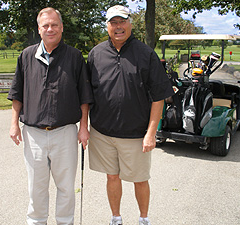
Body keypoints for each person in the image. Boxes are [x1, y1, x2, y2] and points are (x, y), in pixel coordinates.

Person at [87, 5, 174, 225]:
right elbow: (86, 94)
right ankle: (116, 218)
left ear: (130, 24)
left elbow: (158, 96)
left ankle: (143, 219)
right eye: (113, 22)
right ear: (107, 26)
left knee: (140, 179)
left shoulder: (146, 54)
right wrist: (83, 127)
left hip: (136, 134)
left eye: (122, 21)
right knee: (112, 177)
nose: (118, 27)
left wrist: (151, 133)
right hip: (103, 132)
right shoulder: (96, 54)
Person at [8, 7, 93, 225]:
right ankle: (36, 222)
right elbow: (17, 93)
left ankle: (65, 222)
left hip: (65, 133)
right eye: (45, 25)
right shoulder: (26, 56)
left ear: (61, 27)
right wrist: (14, 124)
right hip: (33, 134)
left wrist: (84, 127)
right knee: (36, 186)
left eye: (54, 24)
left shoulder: (74, 57)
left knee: (66, 186)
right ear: (39, 29)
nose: (50, 29)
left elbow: (85, 96)